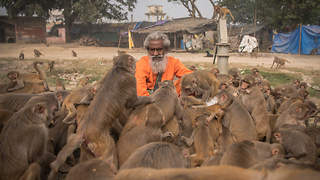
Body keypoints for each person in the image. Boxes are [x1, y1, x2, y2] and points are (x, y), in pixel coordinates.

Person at [135, 31, 193, 96]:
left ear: (166, 50)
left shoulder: (173, 62)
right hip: (149, 100)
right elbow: (140, 90)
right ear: (148, 50)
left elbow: (190, 76)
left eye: (159, 49)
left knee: (188, 82)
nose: (155, 54)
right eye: (152, 50)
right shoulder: (142, 64)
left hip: (168, 95)